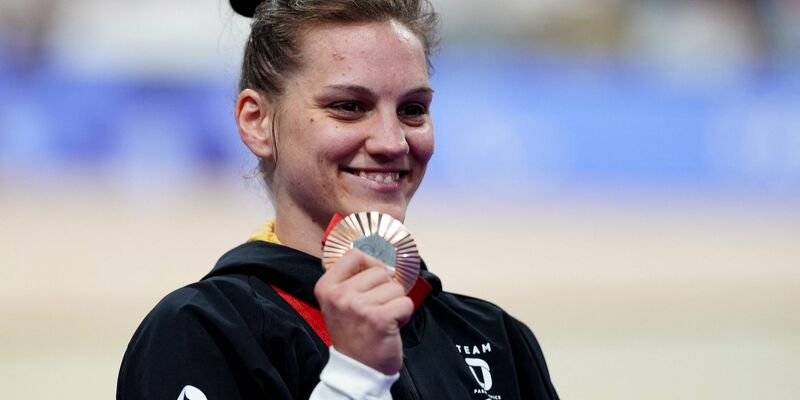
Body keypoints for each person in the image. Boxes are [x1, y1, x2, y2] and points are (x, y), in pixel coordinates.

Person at [117, 1, 559, 399]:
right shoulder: (200, 332)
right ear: (257, 122)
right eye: (349, 106)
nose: (393, 142)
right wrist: (355, 377)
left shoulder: (496, 338)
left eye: (412, 109)